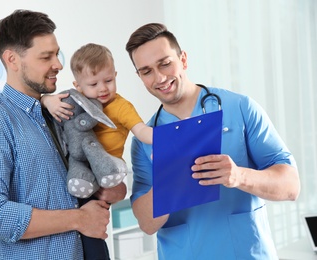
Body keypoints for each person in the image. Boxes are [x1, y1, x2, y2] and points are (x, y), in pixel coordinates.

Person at [0, 10, 126, 260]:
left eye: (56, 54)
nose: (58, 64)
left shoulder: (63, 111)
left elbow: (87, 179)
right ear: (12, 59)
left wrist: (111, 190)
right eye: (46, 57)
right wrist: (79, 219)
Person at [125, 23, 300, 260]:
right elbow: (146, 224)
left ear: (183, 60)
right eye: (146, 71)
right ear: (140, 77)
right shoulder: (145, 139)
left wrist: (238, 176)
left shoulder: (239, 108)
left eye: (165, 63)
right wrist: (167, 181)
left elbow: (291, 186)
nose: (159, 77)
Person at [42, 43, 153, 159]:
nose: (103, 88)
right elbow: (41, 103)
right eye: (94, 84)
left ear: (115, 76)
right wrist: (47, 100)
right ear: (78, 86)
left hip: (109, 169)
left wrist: (160, 138)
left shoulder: (121, 107)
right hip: (79, 163)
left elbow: (141, 130)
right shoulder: (78, 100)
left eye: (108, 80)